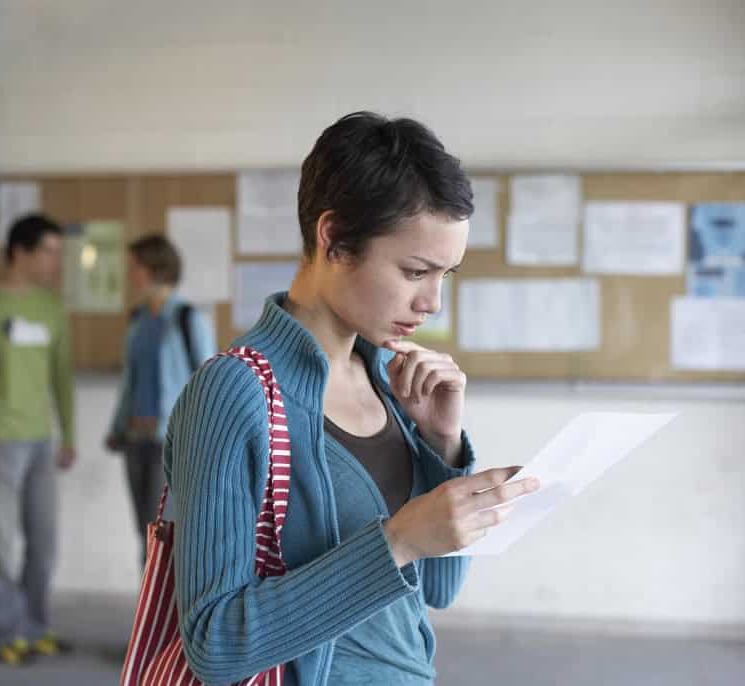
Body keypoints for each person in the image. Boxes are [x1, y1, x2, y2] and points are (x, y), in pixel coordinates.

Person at [163, 112, 540, 685]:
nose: (432, 302)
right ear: (334, 238)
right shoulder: (233, 392)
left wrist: (440, 444)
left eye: (447, 275)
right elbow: (215, 644)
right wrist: (398, 540)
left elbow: (438, 588)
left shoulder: (389, 374)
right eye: (416, 271)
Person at [0, 214, 76, 667]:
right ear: (19, 252)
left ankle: (36, 625)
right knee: (1, 542)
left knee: (44, 541)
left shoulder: (50, 307)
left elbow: (61, 374)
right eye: (49, 251)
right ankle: (7, 630)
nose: (55, 261)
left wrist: (69, 433)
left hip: (42, 439)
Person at [105, 235, 216, 564]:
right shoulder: (138, 320)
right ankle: (151, 606)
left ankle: (166, 609)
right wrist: (117, 426)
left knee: (165, 531)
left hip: (171, 441)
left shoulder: (186, 318)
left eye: (134, 267)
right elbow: (130, 379)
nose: (130, 275)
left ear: (154, 268)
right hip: (134, 437)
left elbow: (209, 382)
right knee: (145, 530)